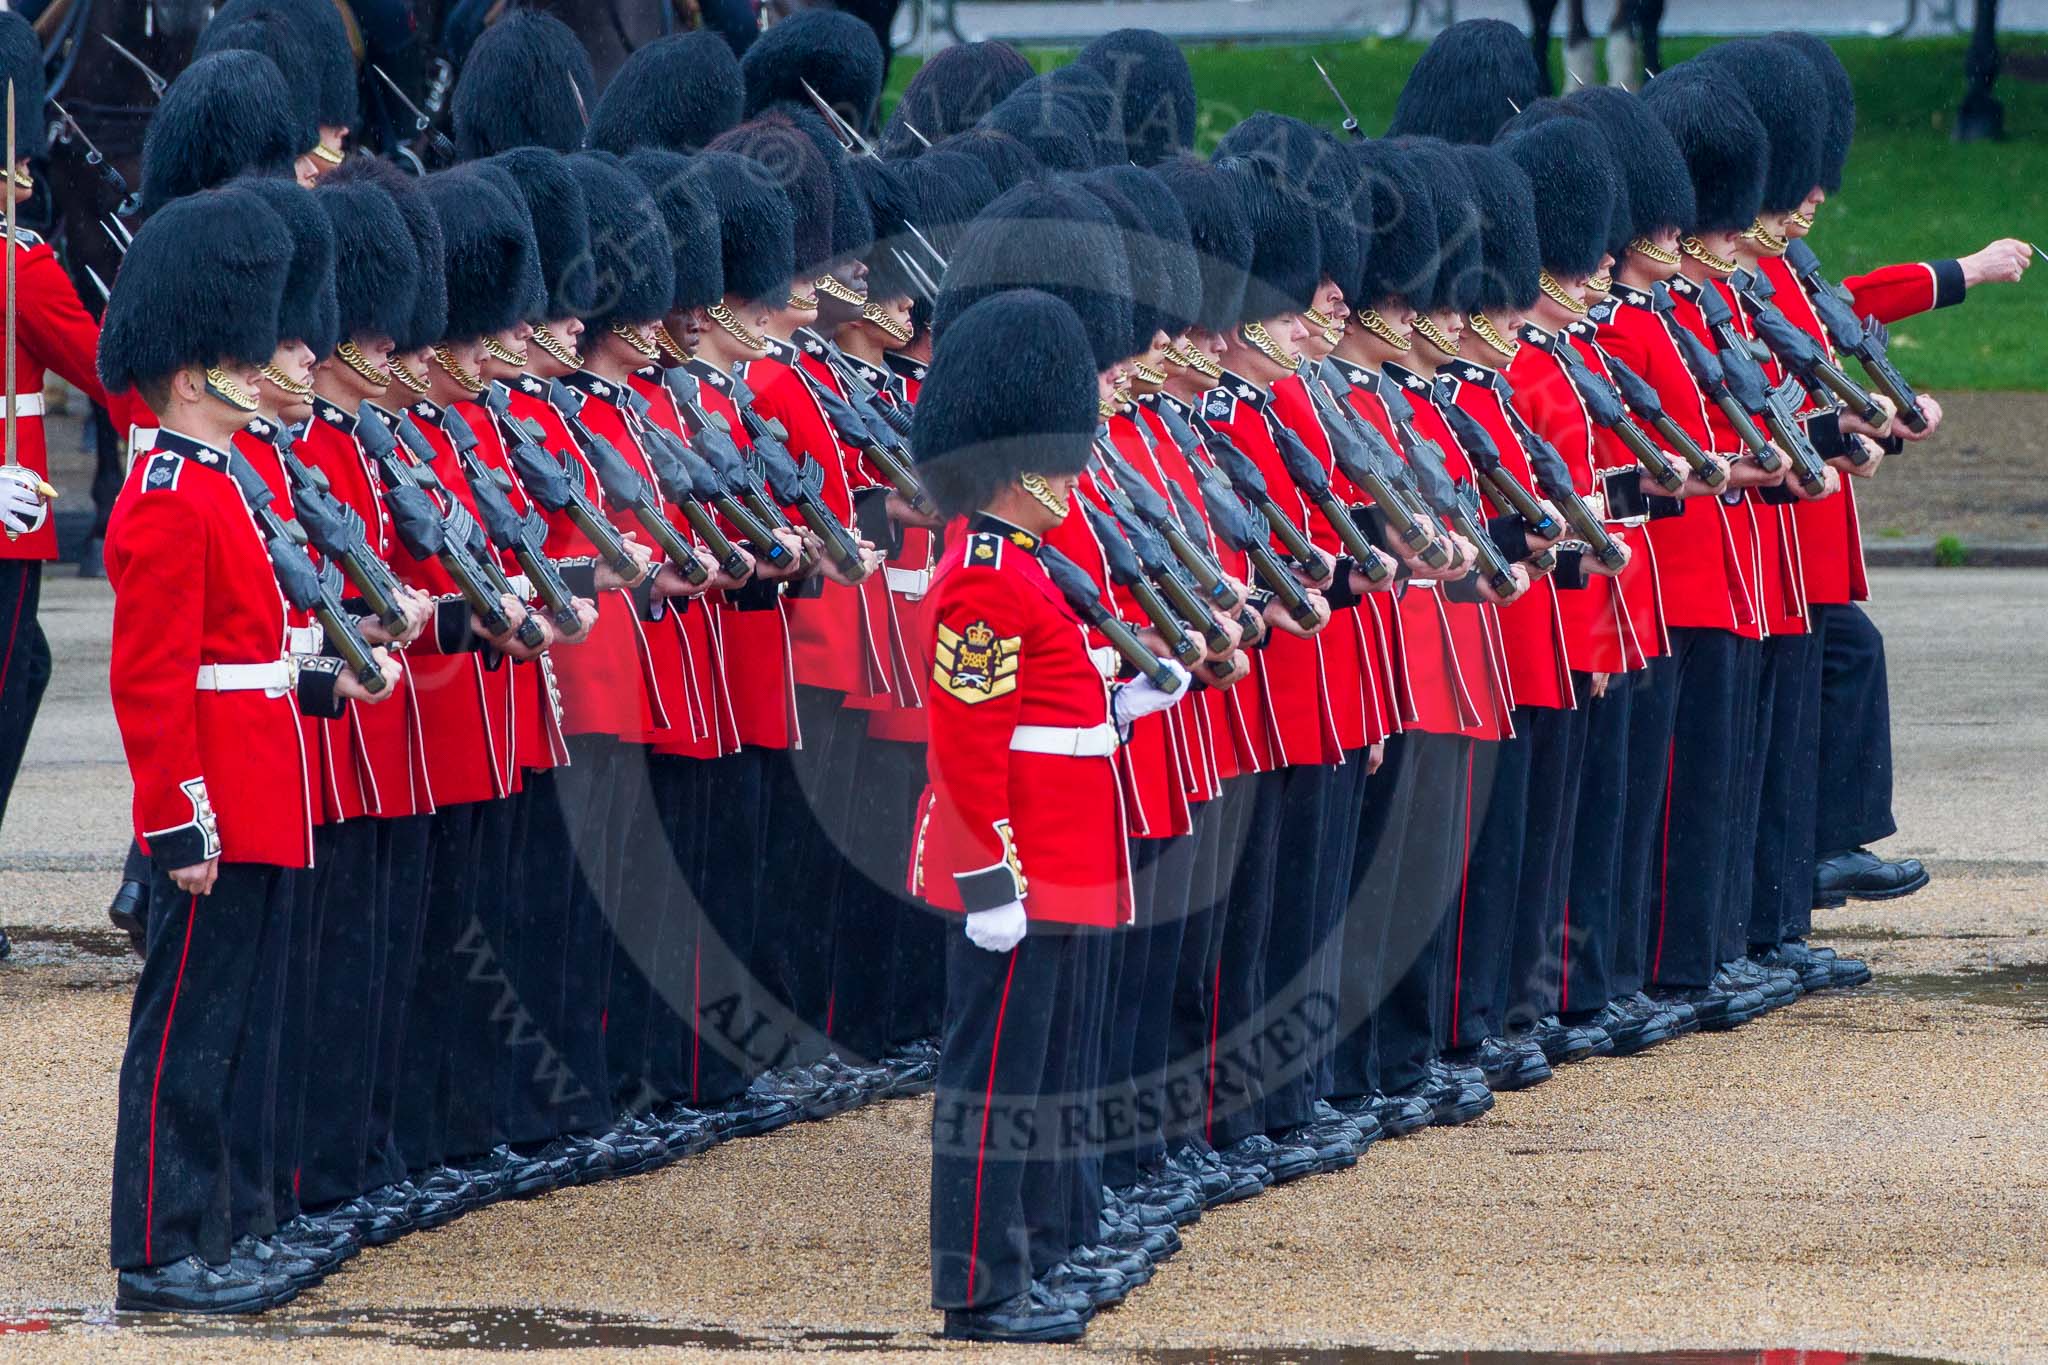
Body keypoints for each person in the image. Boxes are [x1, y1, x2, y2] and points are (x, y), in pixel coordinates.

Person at [100, 183, 399, 1314]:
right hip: (215, 798)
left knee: (241, 1029)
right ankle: (160, 1250)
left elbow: (247, 649)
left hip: (264, 780)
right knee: (186, 1035)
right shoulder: (169, 494)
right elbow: (152, 683)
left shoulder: (221, 481)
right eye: (248, 348)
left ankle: (219, 1226)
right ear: (194, 372)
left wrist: (322, 677)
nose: (274, 362)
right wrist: (176, 818)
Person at [912, 285, 1185, 1344]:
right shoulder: (983, 579)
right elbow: (967, 746)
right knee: (995, 1083)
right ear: (1023, 463)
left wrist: (1121, 701)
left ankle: (1037, 1252)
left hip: (1063, 845)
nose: (1077, 474)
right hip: (1013, 863)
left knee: (1047, 1064)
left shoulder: (1027, 570)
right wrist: (988, 880)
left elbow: (1047, 719)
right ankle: (978, 1289)